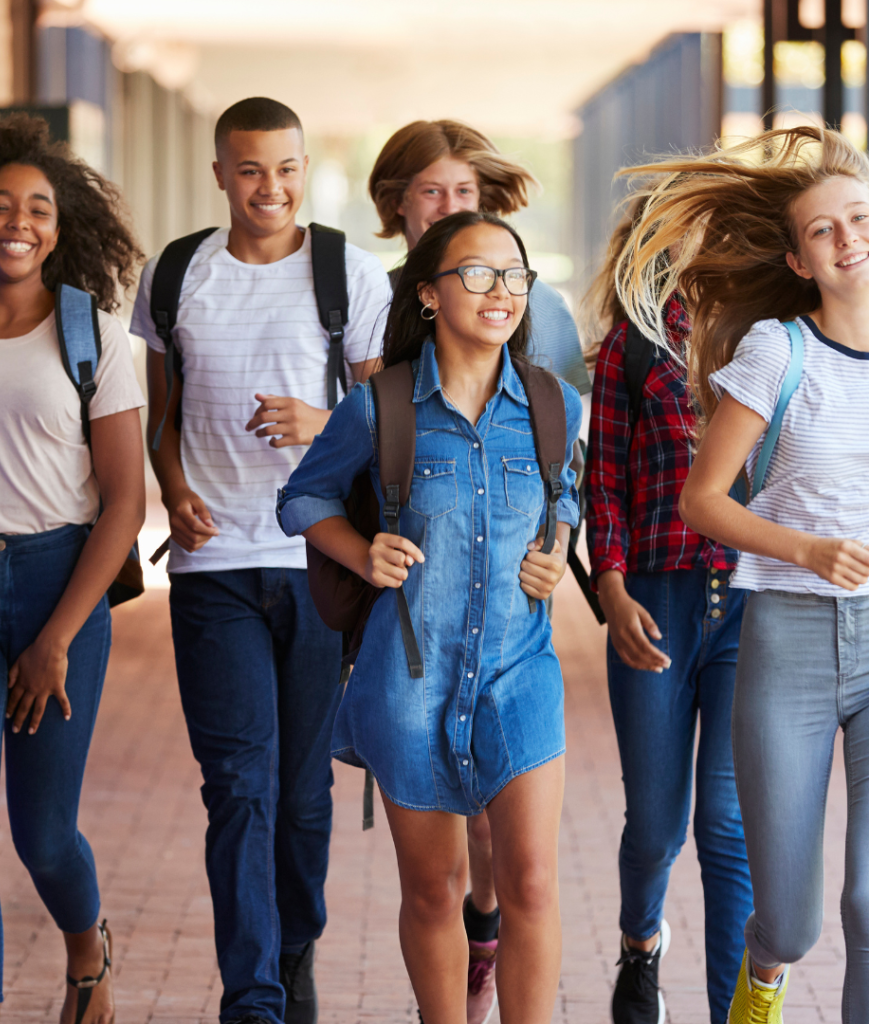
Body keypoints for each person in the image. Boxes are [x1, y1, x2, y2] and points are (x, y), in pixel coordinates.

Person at [613, 125, 869, 1023]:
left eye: (859, 218)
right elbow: (702, 502)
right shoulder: (777, 351)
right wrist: (805, 549)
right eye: (821, 230)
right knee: (793, 922)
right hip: (788, 643)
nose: (848, 238)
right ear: (801, 259)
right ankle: (760, 984)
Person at [278, 210, 583, 1024]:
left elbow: (566, 497)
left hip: (521, 671)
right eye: (477, 274)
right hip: (409, 679)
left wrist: (556, 547)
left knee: (529, 882)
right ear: (428, 295)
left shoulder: (556, 406)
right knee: (436, 888)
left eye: (515, 275)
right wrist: (359, 550)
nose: (501, 291)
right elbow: (301, 496)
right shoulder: (381, 408)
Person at [130, 98, 390, 1024]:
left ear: (305, 168)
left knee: (303, 793)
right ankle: (255, 998)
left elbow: (384, 433)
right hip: (211, 569)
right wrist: (174, 488)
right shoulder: (174, 276)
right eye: (249, 170)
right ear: (219, 176)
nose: (268, 188)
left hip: (317, 565)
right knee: (238, 787)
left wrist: (323, 425)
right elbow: (161, 413)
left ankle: (294, 946)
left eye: (285, 169)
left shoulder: (346, 275)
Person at [368, 118, 589, 1024]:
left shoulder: (538, 320)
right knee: (439, 863)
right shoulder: (373, 316)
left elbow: (564, 456)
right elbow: (344, 471)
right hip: (413, 631)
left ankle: (486, 930)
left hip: (511, 638)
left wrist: (558, 546)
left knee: (511, 852)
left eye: (464, 192)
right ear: (399, 207)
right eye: (431, 191)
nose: (450, 206)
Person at [0, 111, 145, 1024]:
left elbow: (126, 503)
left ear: (63, 229)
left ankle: (86, 946)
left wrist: (57, 636)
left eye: (39, 210)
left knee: (44, 836)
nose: (18, 223)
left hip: (64, 583)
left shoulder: (94, 339)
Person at [584, 203, 753, 1024]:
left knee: (726, 825)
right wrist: (611, 590)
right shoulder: (634, 339)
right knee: (655, 826)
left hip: (752, 606)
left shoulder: (773, 330)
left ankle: (731, 1012)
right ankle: (640, 942)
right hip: (653, 601)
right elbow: (603, 482)